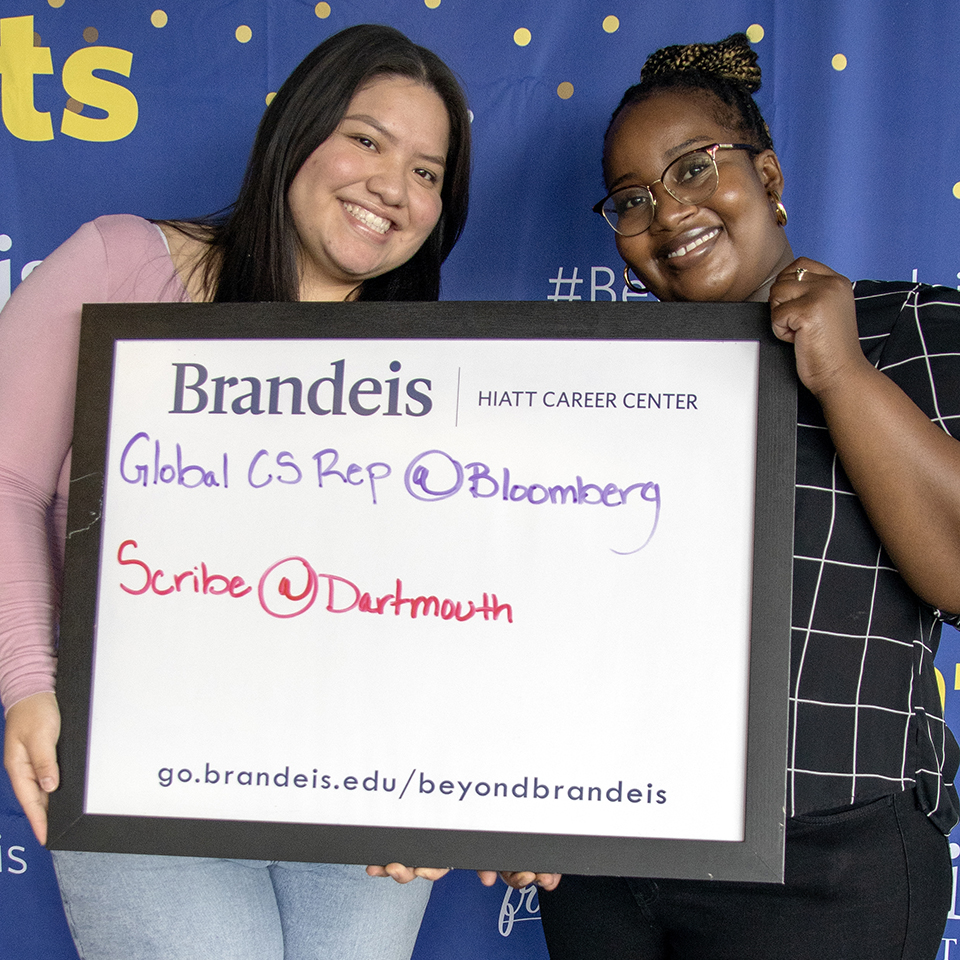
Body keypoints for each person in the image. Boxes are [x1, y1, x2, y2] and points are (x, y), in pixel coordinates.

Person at [0, 22, 470, 960]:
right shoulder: (119, 265)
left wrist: (455, 779)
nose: (392, 184)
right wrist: (27, 682)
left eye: (427, 171)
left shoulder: (443, 366)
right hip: (142, 764)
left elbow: (460, 598)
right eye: (367, 139)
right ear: (295, 135)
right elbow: (7, 484)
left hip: (366, 789)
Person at [533, 33, 960, 960]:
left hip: (829, 859)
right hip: (609, 849)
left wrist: (840, 371)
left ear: (765, 175)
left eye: (695, 169)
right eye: (633, 199)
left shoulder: (914, 328)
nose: (668, 212)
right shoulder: (594, 382)